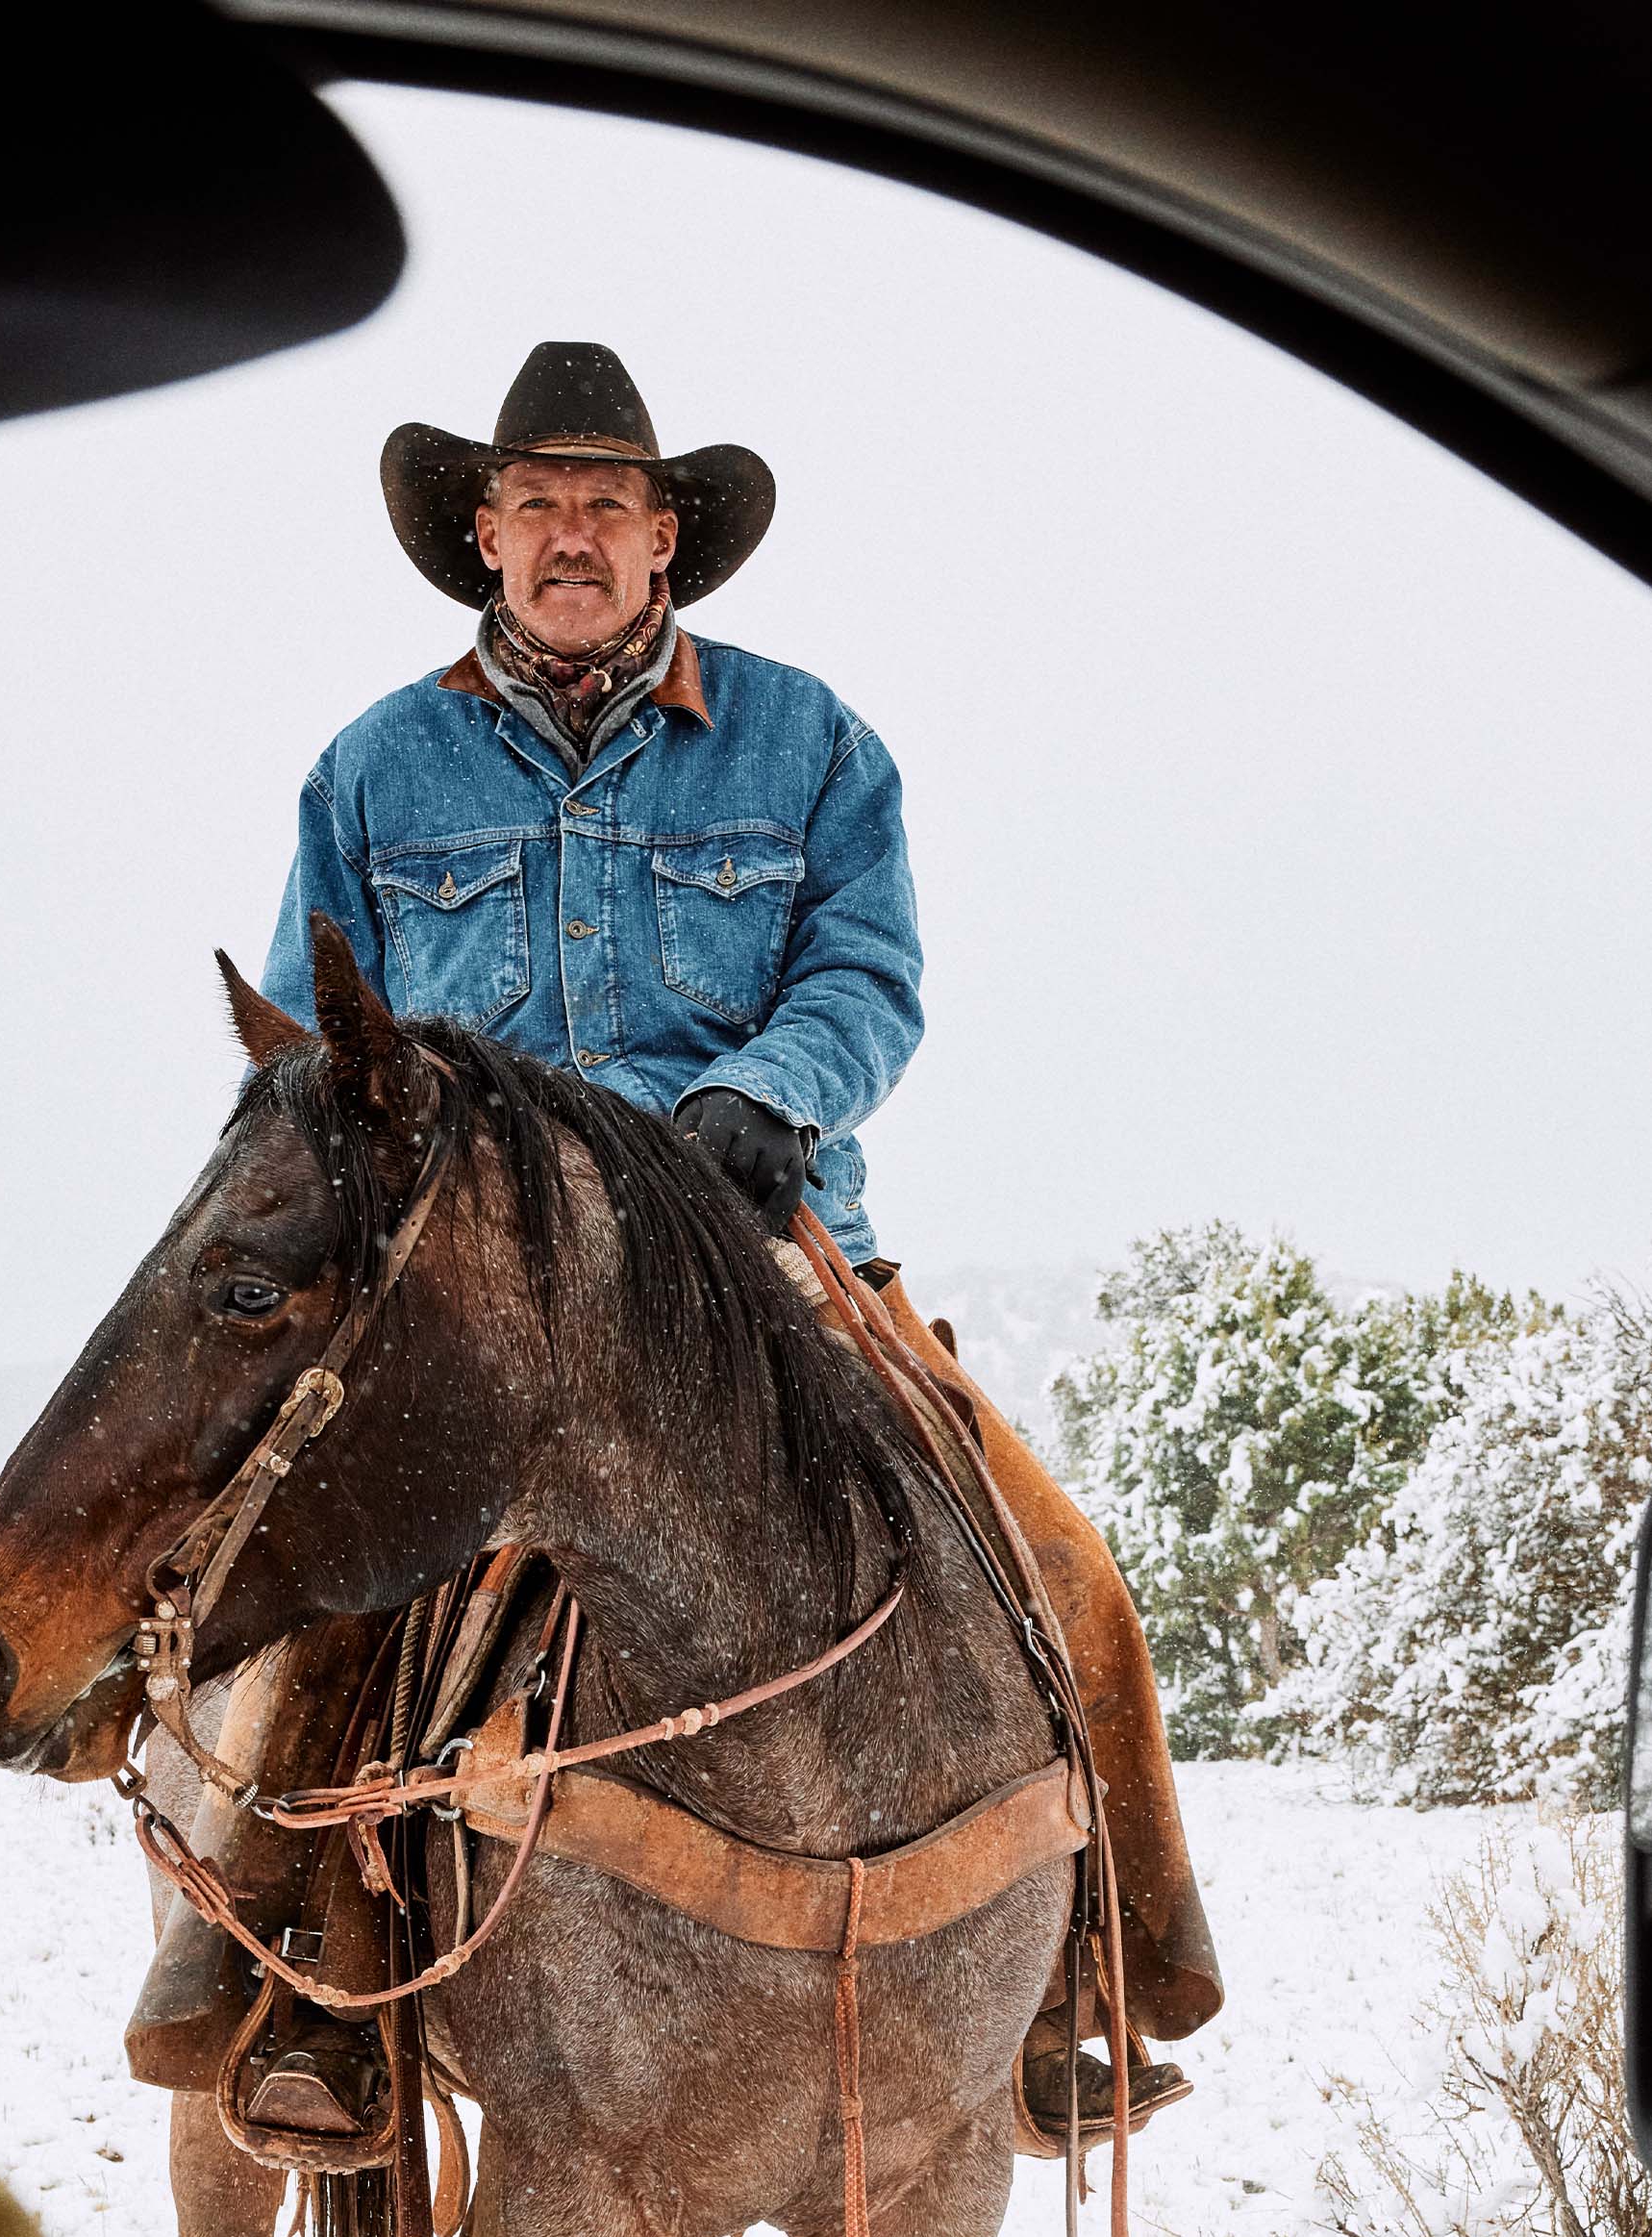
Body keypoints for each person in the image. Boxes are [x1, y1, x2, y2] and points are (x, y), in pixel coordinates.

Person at [138, 342, 1221, 2142]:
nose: (572, 536)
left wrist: (771, 1091)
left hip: (763, 1252)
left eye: (608, 508)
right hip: (474, 1289)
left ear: (666, 543)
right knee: (341, 1579)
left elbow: (870, 975)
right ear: (481, 537)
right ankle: (296, 1971)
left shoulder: (812, 743)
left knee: (1041, 1549)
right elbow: (327, 1057)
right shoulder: (372, 770)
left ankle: (1079, 1968)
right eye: (536, 505)